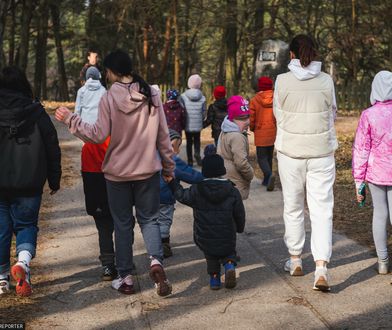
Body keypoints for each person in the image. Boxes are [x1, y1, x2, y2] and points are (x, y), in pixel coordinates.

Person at [55, 49, 175, 297]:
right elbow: (164, 135)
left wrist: (71, 119)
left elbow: (97, 135)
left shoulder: (109, 98)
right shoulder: (151, 94)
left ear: (111, 72)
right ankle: (155, 262)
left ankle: (126, 278)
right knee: (150, 219)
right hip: (147, 171)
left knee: (122, 225)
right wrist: (168, 167)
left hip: (117, 174)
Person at [274, 34, 338, 291]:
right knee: (322, 210)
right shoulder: (326, 80)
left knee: (293, 207)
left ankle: (296, 259)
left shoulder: (282, 81)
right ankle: (321, 267)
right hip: (322, 152)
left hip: (291, 153)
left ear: (291, 54)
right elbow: (332, 113)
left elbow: (278, 114)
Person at [0, 66, 61, 296]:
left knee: (1, 230)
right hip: (30, 183)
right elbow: (52, 147)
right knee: (26, 225)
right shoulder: (36, 113)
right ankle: (23, 263)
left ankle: (2, 278)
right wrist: (54, 180)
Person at [169, 146, 245, 290]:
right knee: (229, 252)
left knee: (211, 256)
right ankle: (229, 264)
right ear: (222, 171)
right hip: (227, 233)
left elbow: (181, 195)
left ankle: (214, 279)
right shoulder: (232, 191)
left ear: (204, 171)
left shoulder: (197, 190)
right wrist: (239, 227)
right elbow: (239, 213)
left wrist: (173, 183)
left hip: (204, 234)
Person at [75, 66, 116, 281]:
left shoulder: (87, 147)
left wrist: (80, 128)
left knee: (103, 225)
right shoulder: (115, 141)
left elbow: (77, 110)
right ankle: (124, 262)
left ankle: (108, 265)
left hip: (94, 177)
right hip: (113, 179)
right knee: (121, 221)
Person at [352, 70, 392, 280]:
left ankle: (383, 261)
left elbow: (361, 149)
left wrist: (359, 181)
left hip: (376, 172)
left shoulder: (368, 115)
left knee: (380, 213)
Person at [159, 129, 204, 258]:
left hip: (147, 197)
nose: (177, 151)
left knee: (151, 221)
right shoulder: (173, 161)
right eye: (174, 146)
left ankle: (154, 244)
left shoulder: (151, 156)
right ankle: (163, 243)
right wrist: (207, 177)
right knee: (164, 221)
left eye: (178, 147)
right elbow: (191, 175)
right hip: (166, 197)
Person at [218, 95, 254, 200]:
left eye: (248, 117)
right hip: (235, 180)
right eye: (242, 119)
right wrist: (250, 174)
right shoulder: (237, 136)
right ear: (232, 118)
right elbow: (241, 163)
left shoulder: (225, 129)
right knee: (236, 211)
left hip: (226, 177)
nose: (247, 121)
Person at [250, 76, 276, 191]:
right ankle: (266, 180)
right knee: (269, 157)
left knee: (261, 157)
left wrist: (251, 128)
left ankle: (269, 175)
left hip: (260, 131)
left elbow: (252, 117)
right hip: (273, 131)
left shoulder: (255, 100)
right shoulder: (276, 98)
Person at [180, 74, 206, 166]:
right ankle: (198, 157)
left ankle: (190, 160)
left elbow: (182, 110)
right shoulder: (202, 97)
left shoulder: (183, 96)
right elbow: (203, 112)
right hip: (198, 124)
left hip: (188, 124)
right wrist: (201, 120)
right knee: (197, 141)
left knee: (189, 142)